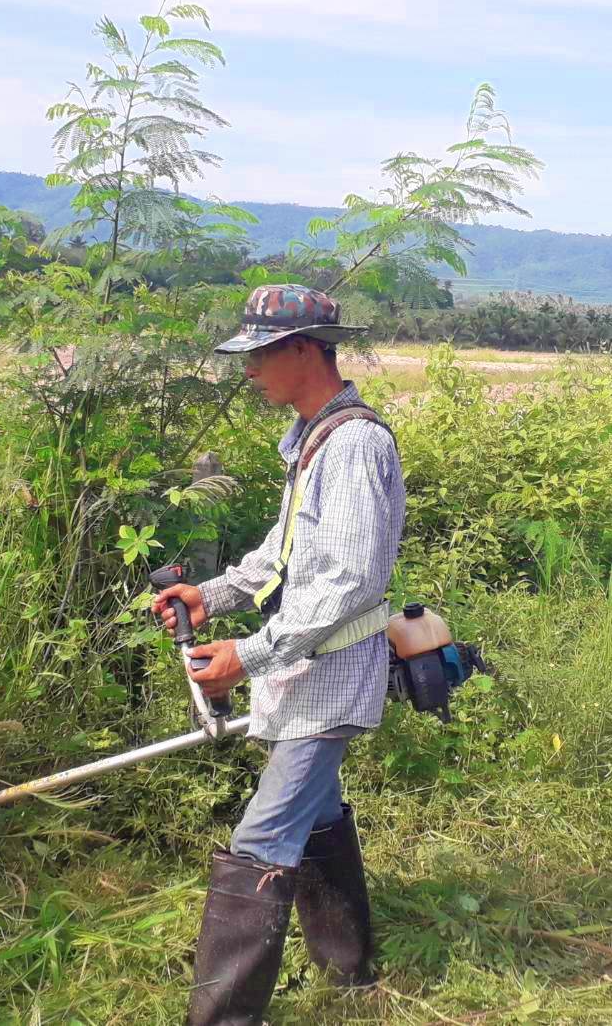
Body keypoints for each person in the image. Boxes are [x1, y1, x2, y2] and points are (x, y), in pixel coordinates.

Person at [152, 284, 405, 1026]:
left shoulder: (354, 442)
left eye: (260, 353)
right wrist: (215, 594)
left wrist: (251, 655)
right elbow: (288, 550)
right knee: (316, 811)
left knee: (262, 840)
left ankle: (224, 1018)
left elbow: (350, 579)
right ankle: (350, 971)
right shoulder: (314, 435)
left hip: (329, 674)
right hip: (306, 668)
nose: (249, 369)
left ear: (304, 349)